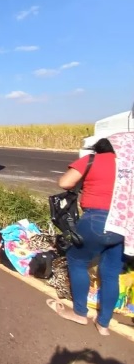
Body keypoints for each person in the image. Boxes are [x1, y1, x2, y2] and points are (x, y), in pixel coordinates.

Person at [47, 134, 134, 336]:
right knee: (110, 273)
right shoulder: (128, 166)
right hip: (124, 224)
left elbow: (65, 183)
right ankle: (103, 324)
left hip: (97, 219)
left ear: (100, 148)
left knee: (76, 260)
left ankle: (80, 313)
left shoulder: (94, 159)